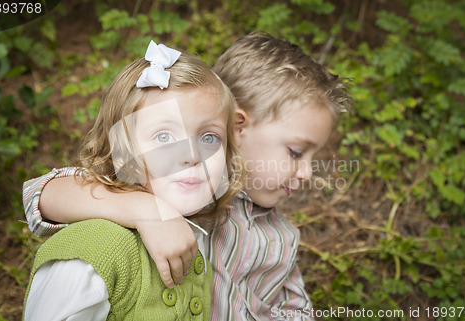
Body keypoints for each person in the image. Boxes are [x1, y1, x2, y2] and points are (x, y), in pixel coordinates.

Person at [23, 33, 354, 320]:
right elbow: (42, 193)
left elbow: (293, 310)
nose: (309, 172)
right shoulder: (177, 190)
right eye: (296, 152)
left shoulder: (281, 237)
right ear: (237, 128)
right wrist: (147, 210)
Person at [23, 40, 243, 320]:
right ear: (122, 153)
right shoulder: (98, 251)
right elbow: (39, 192)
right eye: (164, 137)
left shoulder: (215, 229)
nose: (191, 155)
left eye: (209, 138)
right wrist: (148, 210)